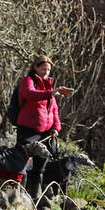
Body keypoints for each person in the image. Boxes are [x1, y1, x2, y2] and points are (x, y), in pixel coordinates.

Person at [13, 54, 73, 201]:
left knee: (40, 167)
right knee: (22, 162)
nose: (46, 72)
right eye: (43, 69)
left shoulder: (50, 87)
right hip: (28, 130)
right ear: (36, 67)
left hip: (45, 132)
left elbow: (54, 111)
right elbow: (30, 94)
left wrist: (56, 128)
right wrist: (51, 93)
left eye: (48, 70)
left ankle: (36, 197)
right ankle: (16, 193)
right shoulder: (28, 81)